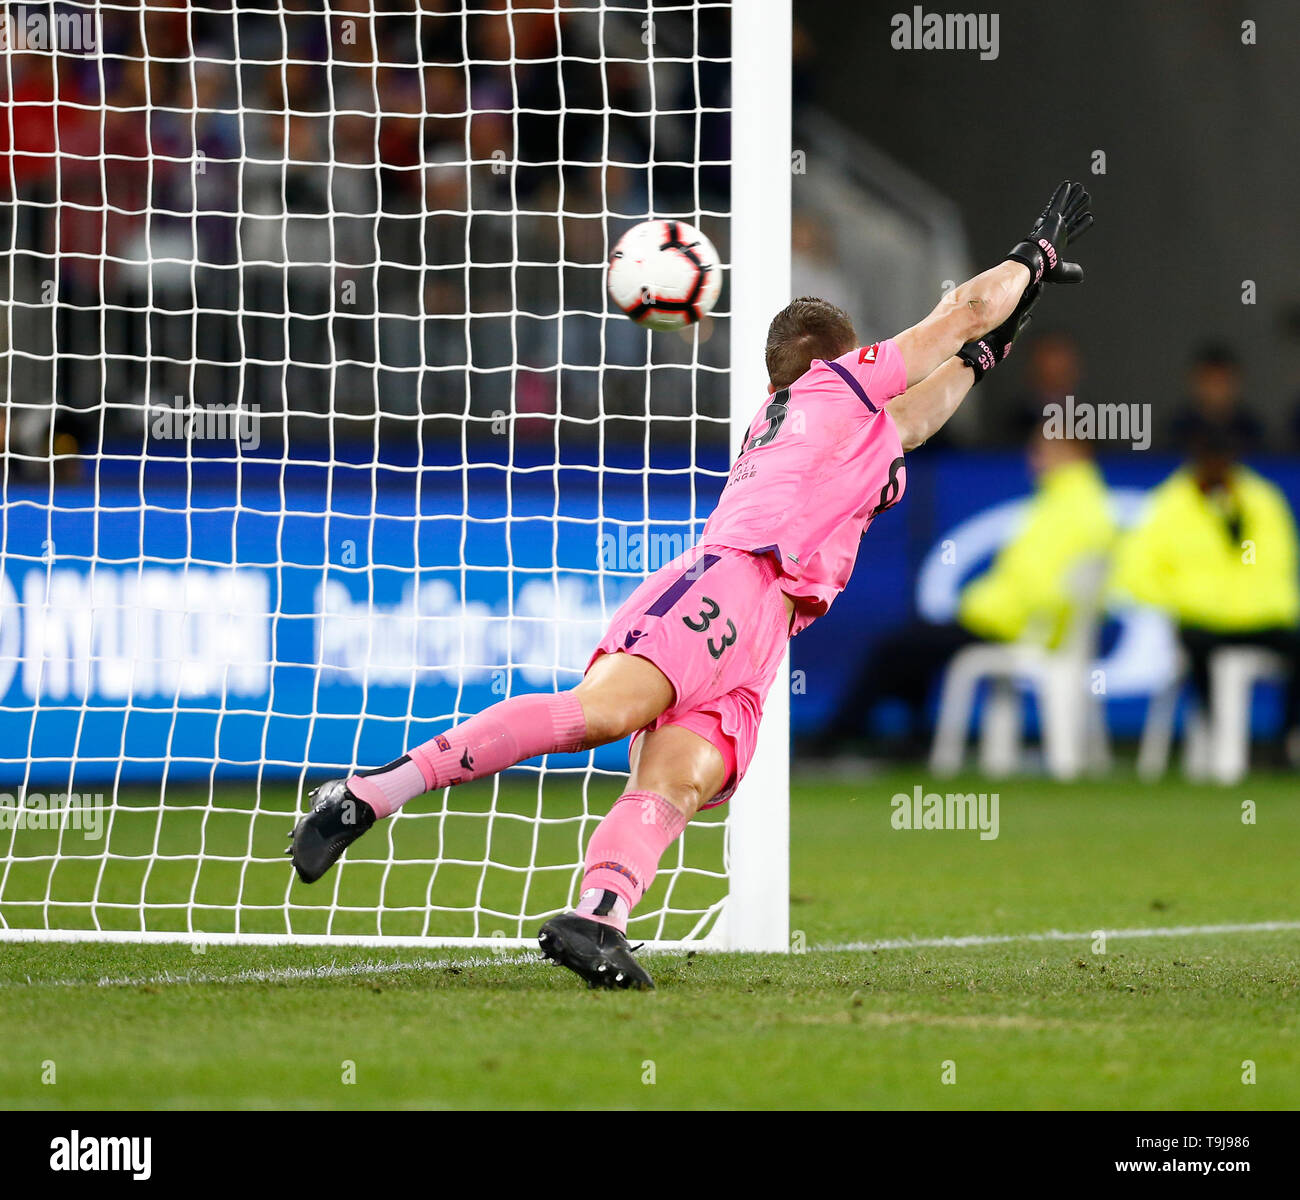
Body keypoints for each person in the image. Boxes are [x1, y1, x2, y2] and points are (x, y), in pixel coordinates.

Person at [289, 182, 1095, 989]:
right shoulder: (828, 388)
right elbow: (960, 316)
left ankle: (597, 918)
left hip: (763, 632)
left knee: (677, 782)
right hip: (732, 582)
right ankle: (366, 794)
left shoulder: (839, 428)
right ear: (837, 358)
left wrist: (999, 340)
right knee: (598, 716)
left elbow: (938, 394)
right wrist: (1033, 258)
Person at [814, 422, 1116, 757]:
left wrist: (983, 607)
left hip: (1009, 628)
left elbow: (1036, 588)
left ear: (1072, 452)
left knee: (894, 649)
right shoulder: (1081, 502)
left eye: (1042, 449)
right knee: (915, 645)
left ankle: (834, 741)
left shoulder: (1069, 508)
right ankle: (910, 740)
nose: (1033, 458)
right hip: (1019, 626)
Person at [1114, 420, 1300, 763]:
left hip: (1261, 621)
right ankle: (1225, 742)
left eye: (1222, 457)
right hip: (1203, 623)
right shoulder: (1170, 505)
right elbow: (1134, 573)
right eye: (1209, 457)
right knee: (1200, 653)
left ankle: (1283, 742)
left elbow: (1279, 564)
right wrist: (1184, 602)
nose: (1216, 465)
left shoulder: (1262, 501)